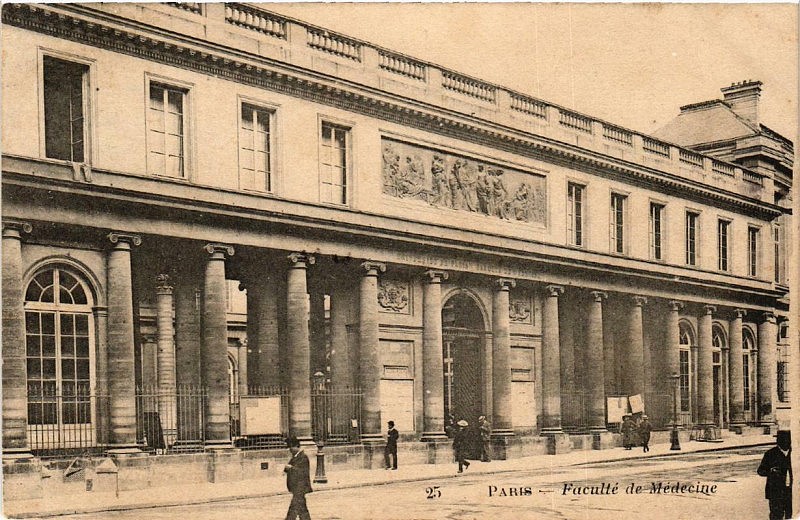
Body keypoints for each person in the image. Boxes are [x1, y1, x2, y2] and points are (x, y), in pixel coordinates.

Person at [757, 430, 793, 519]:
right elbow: (760, 471)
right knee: (776, 516)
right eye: (782, 439)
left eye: (787, 439)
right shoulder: (770, 454)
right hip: (775, 492)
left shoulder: (795, 453)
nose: (785, 442)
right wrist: (771, 471)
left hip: (792, 491)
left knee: (791, 515)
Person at [283, 436, 312, 520]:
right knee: (302, 509)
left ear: (296, 446)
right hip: (296, 487)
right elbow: (288, 469)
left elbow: (302, 472)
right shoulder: (295, 457)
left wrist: (290, 468)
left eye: (291, 447)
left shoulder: (303, 457)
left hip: (300, 487)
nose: (290, 450)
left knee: (293, 509)